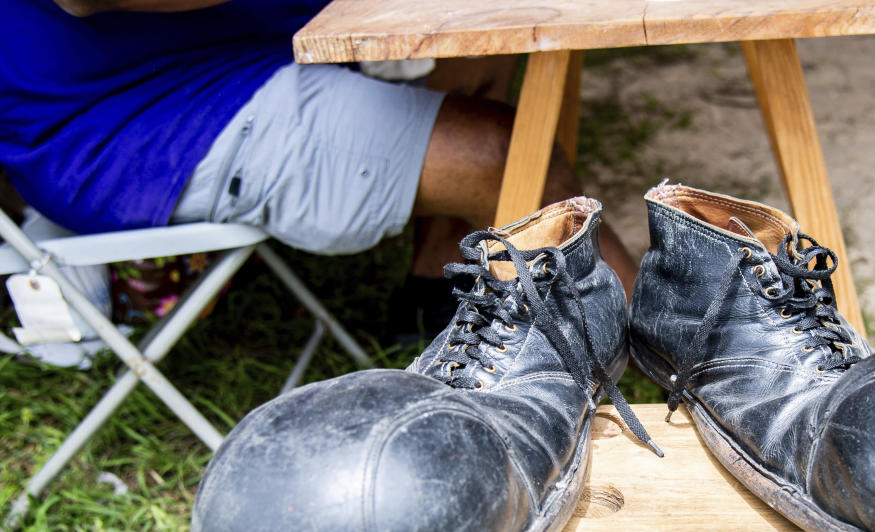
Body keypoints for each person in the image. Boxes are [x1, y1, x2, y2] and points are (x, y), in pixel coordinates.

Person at [0, 0, 637, 310]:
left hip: (222, 59)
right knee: (504, 157)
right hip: (131, 119)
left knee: (484, 39)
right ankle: (680, 351)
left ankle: (435, 294)